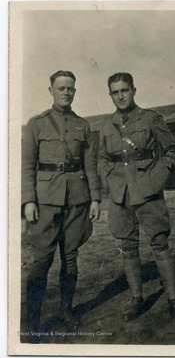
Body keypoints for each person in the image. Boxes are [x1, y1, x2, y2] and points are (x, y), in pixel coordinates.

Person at [97, 72, 175, 327]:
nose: (120, 96)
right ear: (110, 95)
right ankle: (136, 298)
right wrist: (108, 179)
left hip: (147, 192)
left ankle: (174, 301)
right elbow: (102, 158)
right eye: (115, 92)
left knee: (159, 244)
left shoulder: (150, 119)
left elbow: (173, 149)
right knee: (128, 247)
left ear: (134, 91)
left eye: (124, 90)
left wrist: (156, 179)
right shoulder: (106, 126)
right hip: (120, 195)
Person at [22, 70, 101, 336]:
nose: (66, 92)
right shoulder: (37, 124)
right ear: (51, 91)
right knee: (42, 259)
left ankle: (66, 310)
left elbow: (90, 165)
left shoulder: (83, 125)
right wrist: (28, 200)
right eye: (61, 88)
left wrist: (96, 198)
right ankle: (32, 320)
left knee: (71, 258)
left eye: (70, 88)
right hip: (45, 201)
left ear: (75, 91)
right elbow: (27, 167)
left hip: (77, 200)